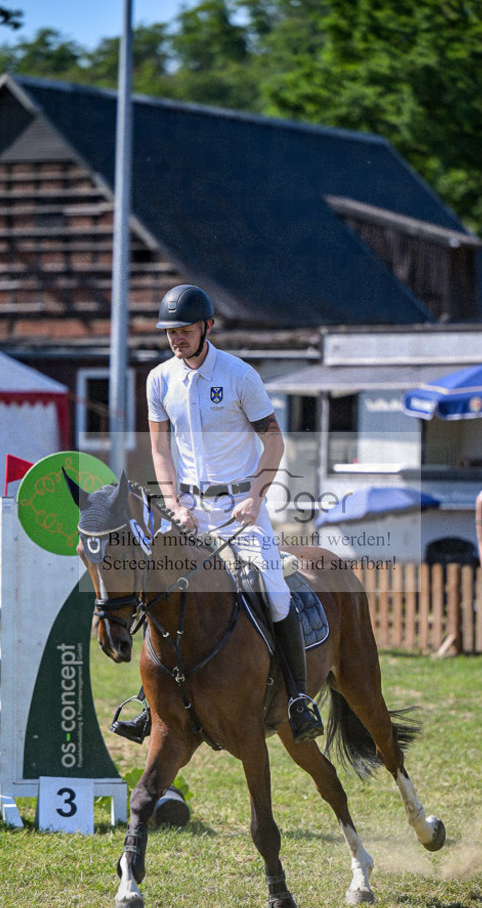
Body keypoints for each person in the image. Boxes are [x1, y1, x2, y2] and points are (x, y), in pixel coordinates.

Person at [142, 283, 323, 743]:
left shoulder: (240, 375)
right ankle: (148, 702)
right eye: (170, 332)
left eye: (184, 330)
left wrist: (256, 496)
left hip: (241, 507)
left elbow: (274, 442)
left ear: (207, 327)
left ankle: (299, 700)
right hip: (189, 510)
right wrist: (174, 504)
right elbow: (159, 450)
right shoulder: (159, 380)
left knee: (275, 593)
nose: (176, 338)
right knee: (157, 588)